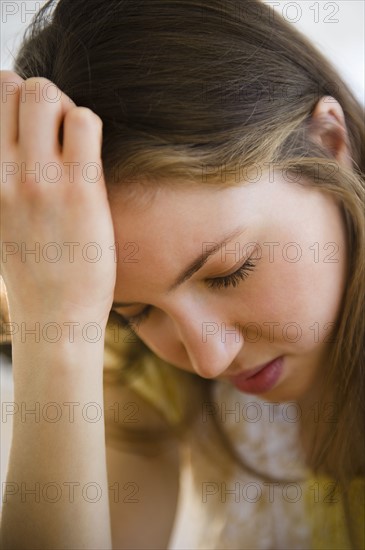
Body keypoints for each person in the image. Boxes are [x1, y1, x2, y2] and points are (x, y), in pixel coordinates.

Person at [0, 1, 364, 548]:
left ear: (330, 145)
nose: (208, 359)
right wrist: (55, 327)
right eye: (138, 312)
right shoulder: (147, 370)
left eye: (229, 272)